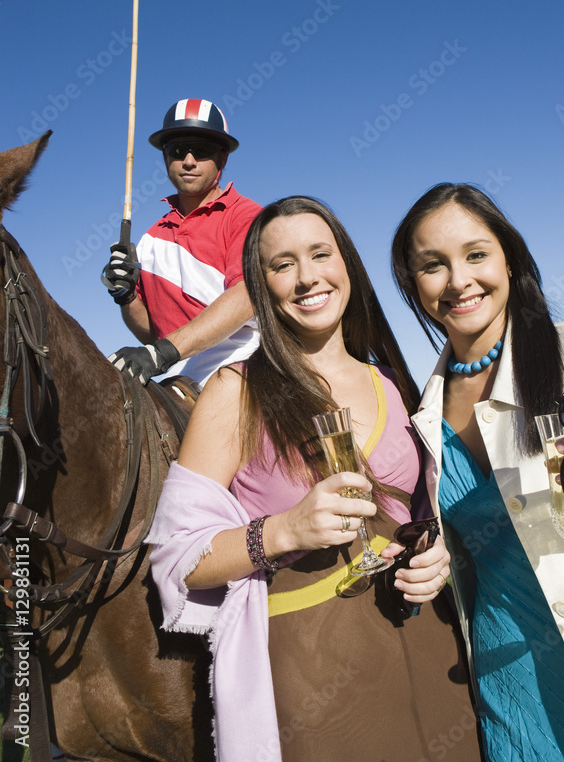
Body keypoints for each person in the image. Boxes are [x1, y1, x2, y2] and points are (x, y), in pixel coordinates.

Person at [147, 196, 483, 762]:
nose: (307, 277)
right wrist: (283, 531)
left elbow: (428, 513)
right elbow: (177, 559)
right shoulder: (236, 392)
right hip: (313, 669)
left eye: (320, 254)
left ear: (345, 264)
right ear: (262, 285)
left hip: (431, 643)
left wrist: (438, 552)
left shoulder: (397, 381)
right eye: (282, 265)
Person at [391, 182, 564, 762]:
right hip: (508, 682)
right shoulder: (421, 413)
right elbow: (460, 557)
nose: (459, 280)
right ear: (413, 285)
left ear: (509, 261)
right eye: (432, 266)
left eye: (475, 254)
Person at [102, 99, 262, 385]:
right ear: (165, 159)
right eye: (177, 151)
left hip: (248, 367)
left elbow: (247, 296)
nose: (189, 160)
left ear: (222, 158)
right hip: (179, 379)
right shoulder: (150, 239)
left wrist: (162, 352)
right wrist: (126, 297)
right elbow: (154, 335)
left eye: (201, 151)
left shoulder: (247, 216)